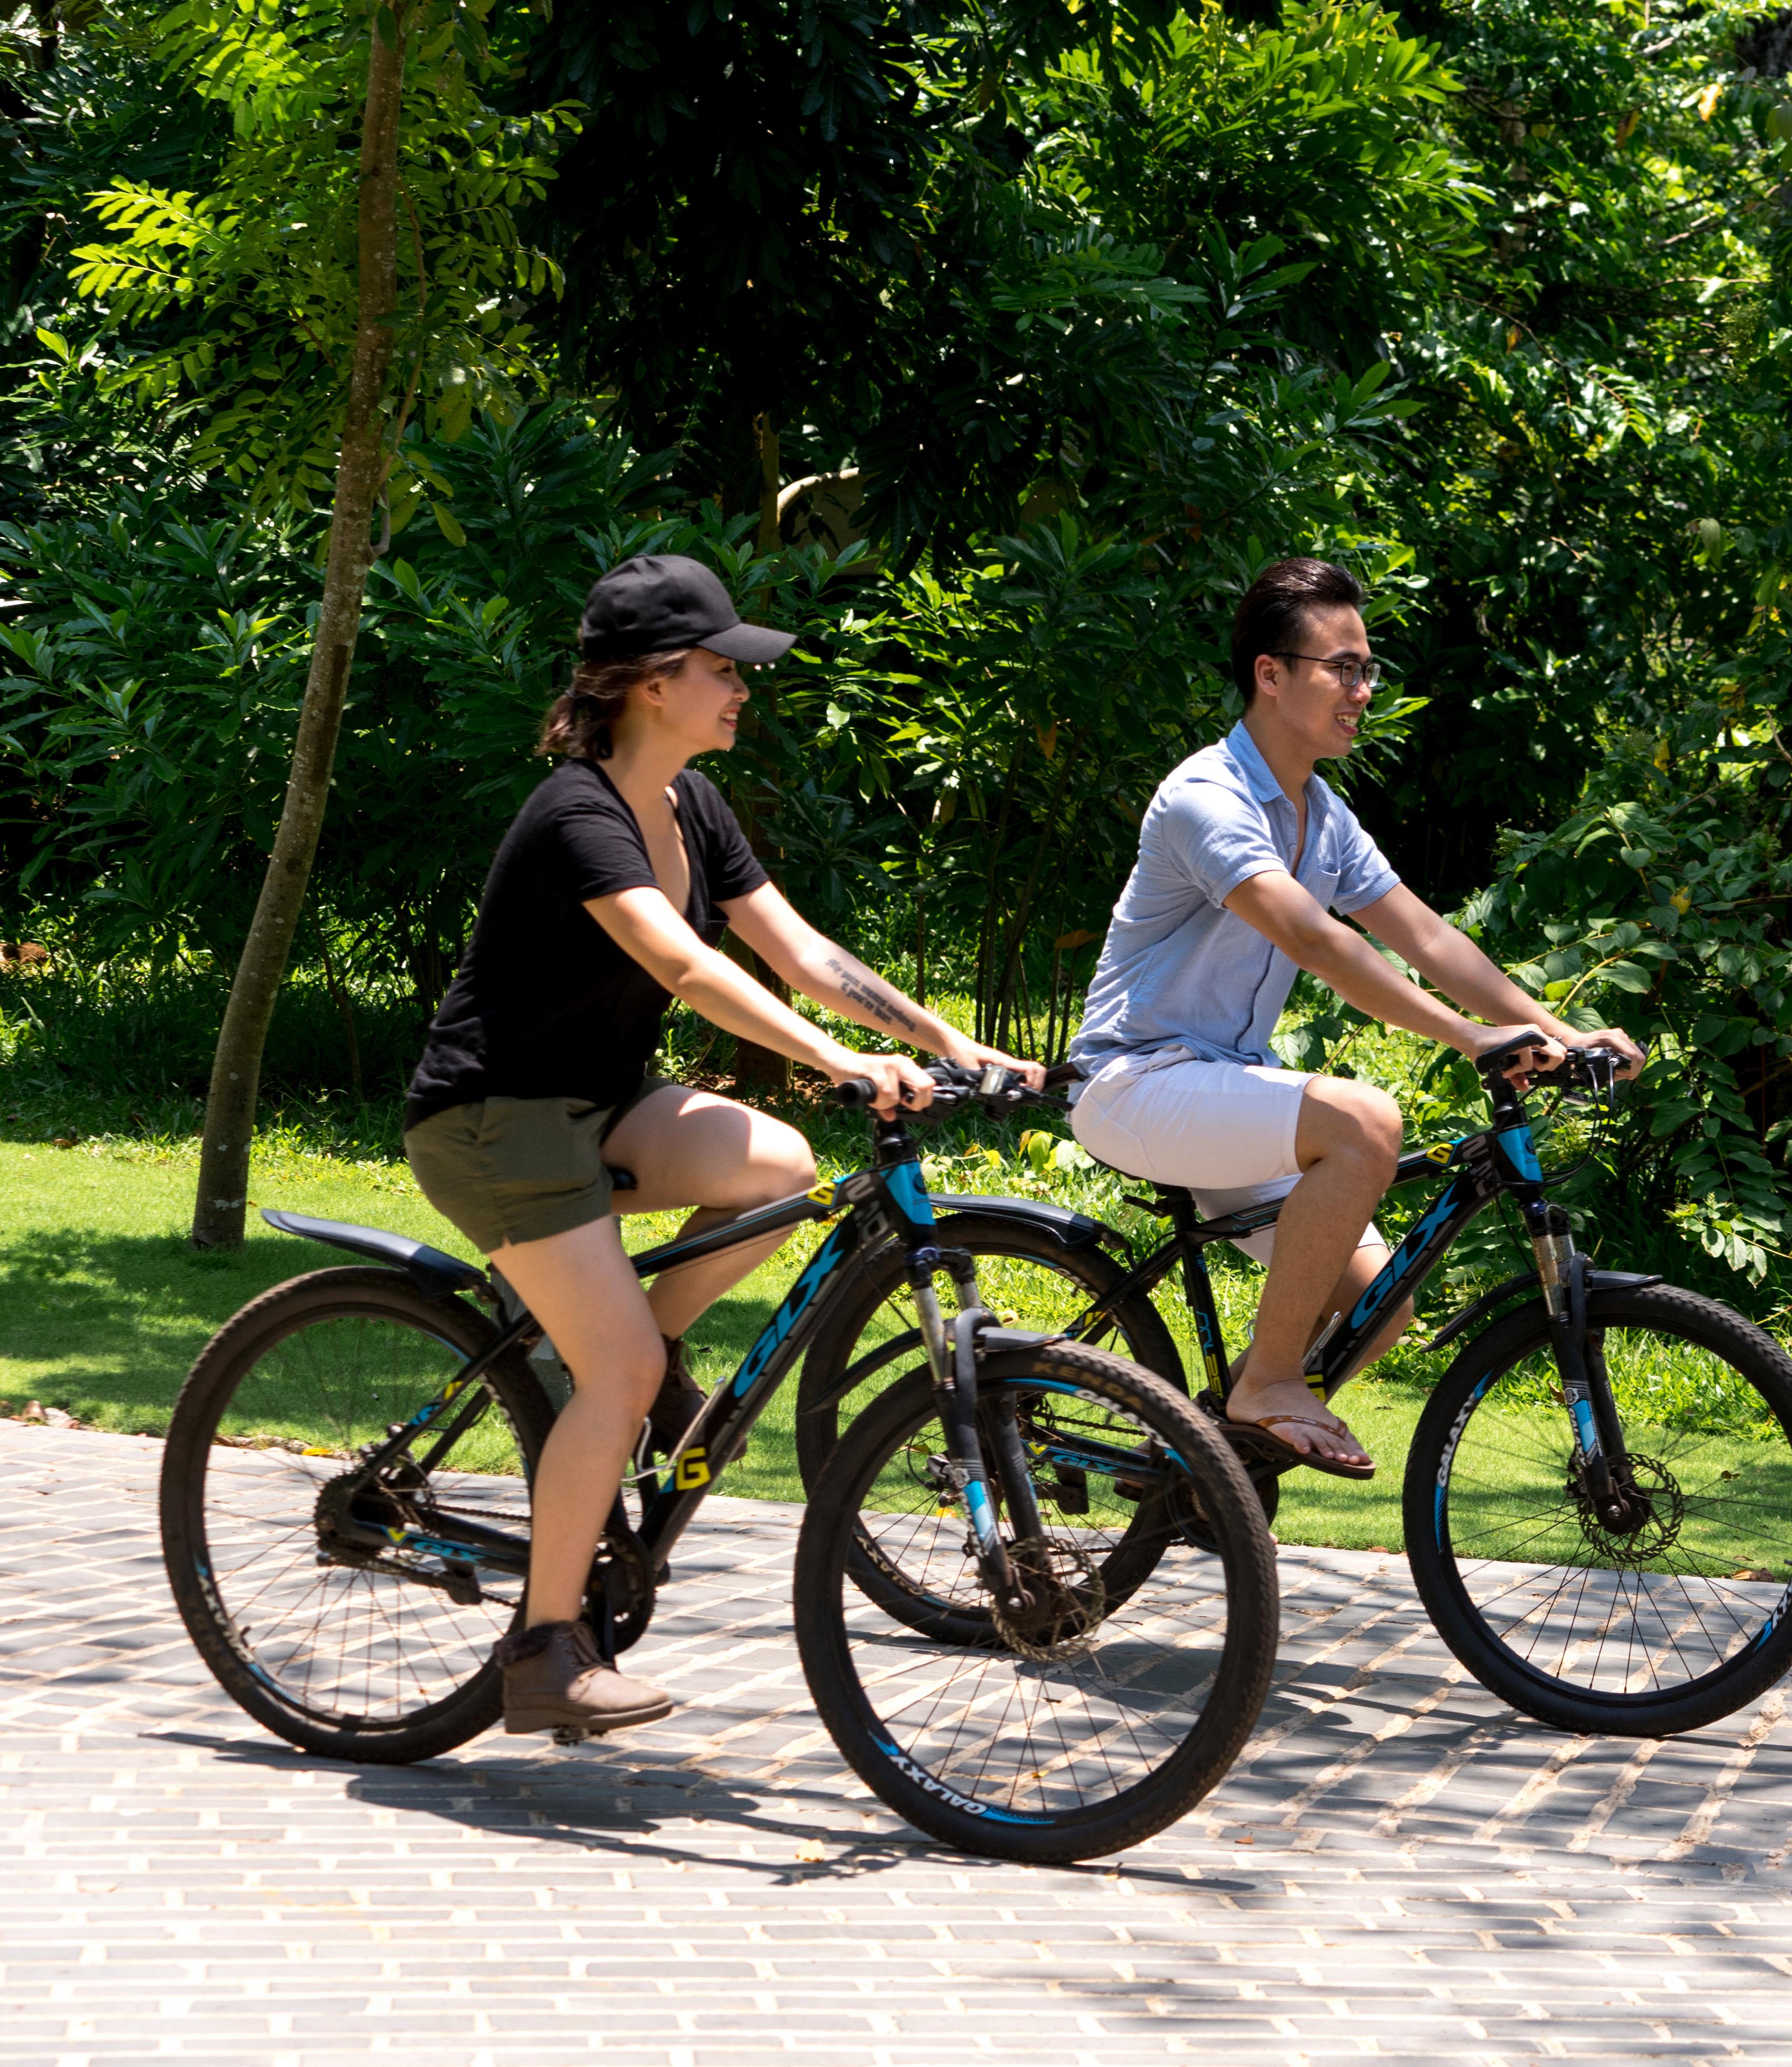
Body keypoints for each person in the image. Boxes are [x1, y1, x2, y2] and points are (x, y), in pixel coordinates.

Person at [403, 553, 1036, 1739]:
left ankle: (637, 1375)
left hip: (599, 1100)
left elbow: (797, 952)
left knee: (779, 1167)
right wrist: (840, 1063)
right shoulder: (577, 814)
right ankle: (544, 1649)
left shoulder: (693, 803)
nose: (742, 688)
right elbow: (687, 968)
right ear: (651, 683)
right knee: (621, 1369)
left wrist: (941, 1035)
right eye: (720, 669)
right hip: (496, 1119)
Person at [1067, 558, 1644, 1477]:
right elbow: (1317, 940)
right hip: (1137, 1080)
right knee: (1366, 1119)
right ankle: (1265, 1387)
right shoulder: (1207, 798)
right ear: (1271, 672)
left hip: (1224, 1085)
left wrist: (1557, 1031)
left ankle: (1209, 1460)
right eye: (1343, 667)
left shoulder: (1321, 815)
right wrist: (1466, 1037)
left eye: (1369, 669)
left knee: (1379, 1301)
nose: (1363, 689)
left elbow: (1425, 937)